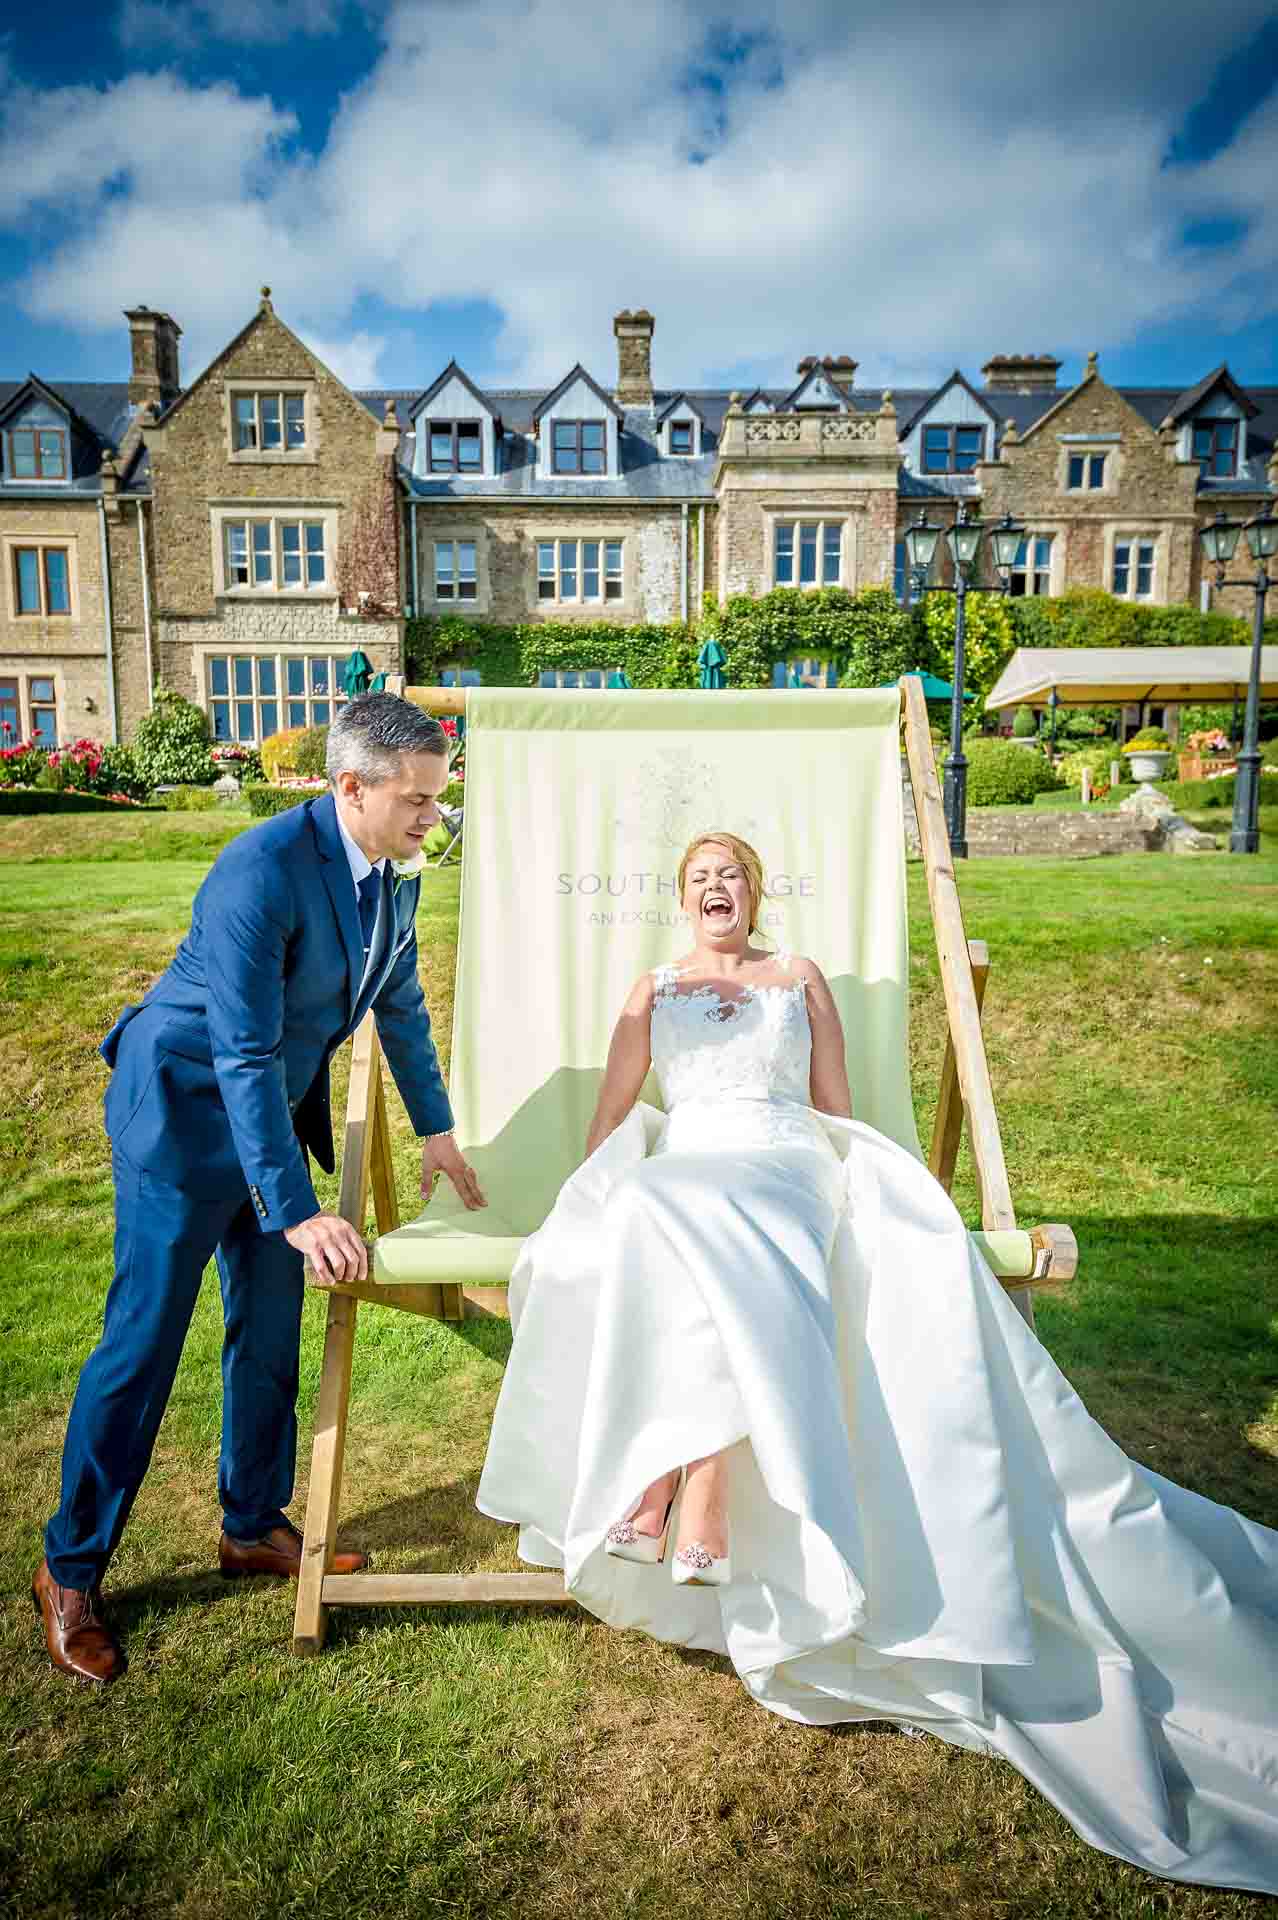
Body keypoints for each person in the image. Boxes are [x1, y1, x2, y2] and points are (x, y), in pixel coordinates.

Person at [478, 830, 1278, 1894]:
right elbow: (615, 1111)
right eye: (699, 879)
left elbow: (833, 1105)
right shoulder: (651, 989)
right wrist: (590, 1198)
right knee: (657, 1212)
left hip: (783, 1161)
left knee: (720, 1223)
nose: (718, 889)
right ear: (682, 899)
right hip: (691, 1165)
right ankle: (698, 1475)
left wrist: (854, 1189)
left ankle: (678, 1478)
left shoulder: (797, 975)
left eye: (734, 876)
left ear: (756, 893)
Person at [34, 693, 486, 1686]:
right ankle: (69, 1570)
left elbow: (398, 1002)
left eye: (438, 800)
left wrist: (441, 1132)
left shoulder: (395, 872)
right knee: (144, 1341)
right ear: (351, 786)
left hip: (267, 1124)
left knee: (270, 1325)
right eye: (416, 800)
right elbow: (242, 1049)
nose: (430, 820)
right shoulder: (259, 869)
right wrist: (297, 1209)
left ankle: (248, 1523)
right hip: (184, 1110)